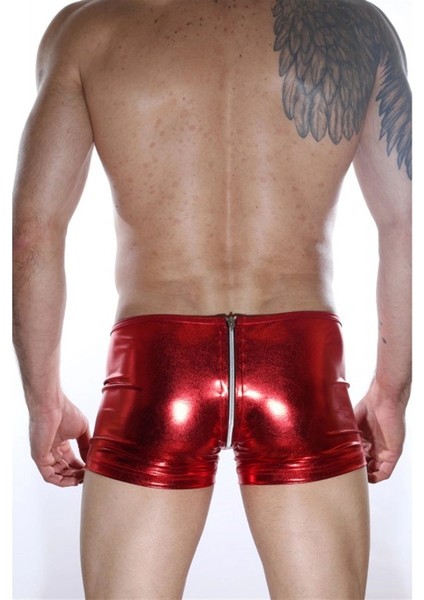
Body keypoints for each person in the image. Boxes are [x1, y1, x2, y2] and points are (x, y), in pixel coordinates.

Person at [12, 0, 411, 598]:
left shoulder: (90, 30)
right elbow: (403, 223)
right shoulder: (355, 25)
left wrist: (43, 401)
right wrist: (391, 390)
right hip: (300, 360)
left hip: (156, 361)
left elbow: (34, 233)